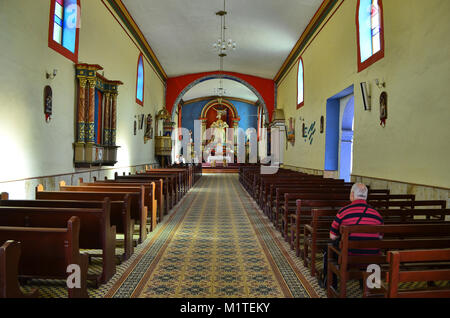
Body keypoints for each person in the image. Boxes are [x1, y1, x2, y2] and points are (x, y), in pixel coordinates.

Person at [321, 183, 383, 289]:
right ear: (366, 196)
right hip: (371, 258)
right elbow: (380, 238)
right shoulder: (377, 215)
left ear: (352, 194)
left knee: (329, 248)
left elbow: (332, 236)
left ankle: (331, 285)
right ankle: (371, 288)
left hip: (349, 257)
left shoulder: (343, 212)